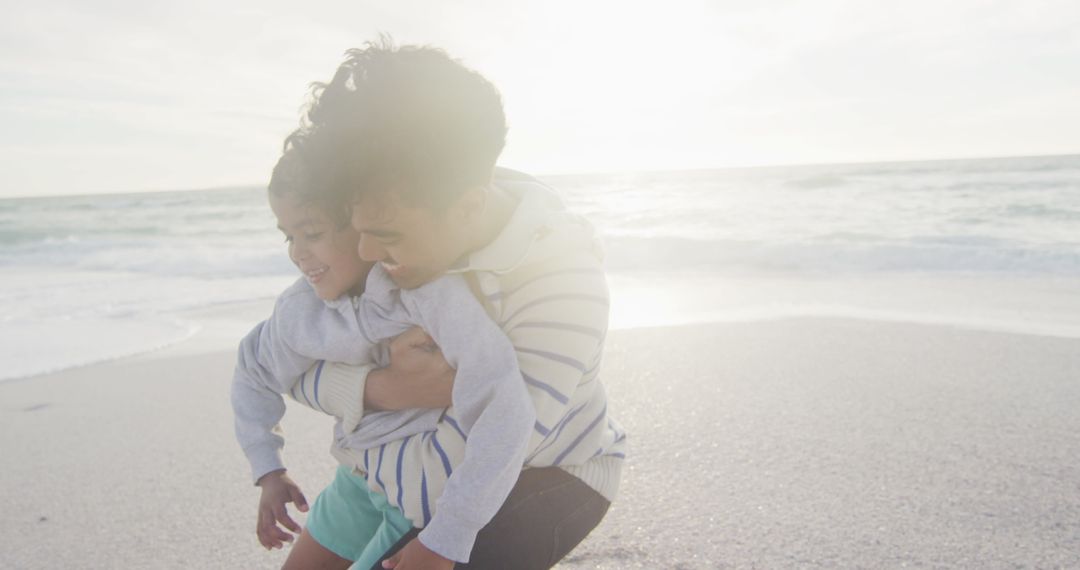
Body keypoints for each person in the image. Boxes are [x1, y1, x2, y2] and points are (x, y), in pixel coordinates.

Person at [274, 40, 628, 569]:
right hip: (397, 458)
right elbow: (288, 351)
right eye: (358, 231)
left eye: (384, 236)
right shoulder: (390, 204)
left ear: (468, 208)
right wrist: (375, 389)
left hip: (537, 473)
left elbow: (494, 445)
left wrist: (427, 536)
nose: (367, 254)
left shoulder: (562, 283)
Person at [232, 141, 536, 570]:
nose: (297, 253)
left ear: (362, 224)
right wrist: (268, 469)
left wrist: (451, 532)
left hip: (419, 494)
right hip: (357, 480)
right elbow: (253, 372)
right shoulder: (300, 313)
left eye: (312, 234)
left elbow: (503, 401)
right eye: (289, 236)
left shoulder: (427, 294)